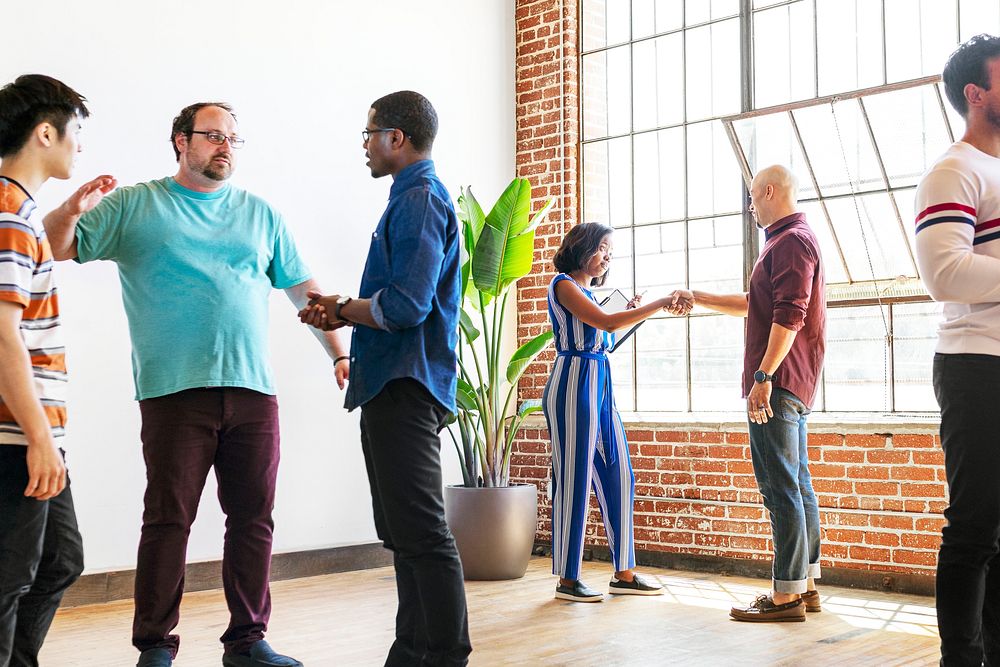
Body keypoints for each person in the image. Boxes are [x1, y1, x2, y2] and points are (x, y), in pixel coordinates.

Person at [42, 102, 349, 667]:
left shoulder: (261, 215)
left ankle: (248, 641)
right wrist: (69, 208)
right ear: (180, 141)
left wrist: (338, 353)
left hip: (253, 391)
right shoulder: (139, 205)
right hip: (173, 391)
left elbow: (305, 294)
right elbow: (57, 246)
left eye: (233, 137)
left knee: (253, 518)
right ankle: (155, 645)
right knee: (168, 519)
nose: (225, 146)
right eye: (212, 136)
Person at [298, 91, 471, 666]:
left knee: (421, 532)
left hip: (406, 384)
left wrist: (343, 307)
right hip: (394, 383)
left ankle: (444, 654)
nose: (366, 145)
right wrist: (341, 310)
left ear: (397, 137)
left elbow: (405, 306)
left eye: (370, 134)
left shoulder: (420, 200)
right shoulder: (410, 198)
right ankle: (412, 650)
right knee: (402, 531)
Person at [687, 164, 826, 623]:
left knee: (779, 488)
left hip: (779, 385)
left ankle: (785, 597)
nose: (750, 206)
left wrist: (763, 377)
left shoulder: (790, 242)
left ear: (768, 190)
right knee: (797, 485)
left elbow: (790, 315)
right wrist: (699, 297)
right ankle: (804, 586)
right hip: (791, 383)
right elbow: (757, 305)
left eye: (751, 196)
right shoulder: (787, 242)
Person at [0, 73, 94, 667]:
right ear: (44, 133)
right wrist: (38, 437)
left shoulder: (24, 214)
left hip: (35, 431)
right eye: (74, 133)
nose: (79, 145)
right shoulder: (9, 212)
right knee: (8, 579)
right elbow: (2, 333)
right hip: (17, 432)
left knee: (60, 559)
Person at [543, 222, 688, 602]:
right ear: (583, 246)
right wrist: (657, 304)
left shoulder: (591, 294)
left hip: (599, 381)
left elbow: (607, 336)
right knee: (574, 479)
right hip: (572, 384)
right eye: (603, 247)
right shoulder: (564, 285)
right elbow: (605, 323)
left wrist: (634, 313)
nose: (608, 255)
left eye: (611, 250)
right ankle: (568, 579)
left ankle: (624, 573)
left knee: (620, 472)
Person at [914, 33, 1000, 665]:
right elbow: (945, 274)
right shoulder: (954, 169)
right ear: (977, 93)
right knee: (975, 527)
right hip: (976, 366)